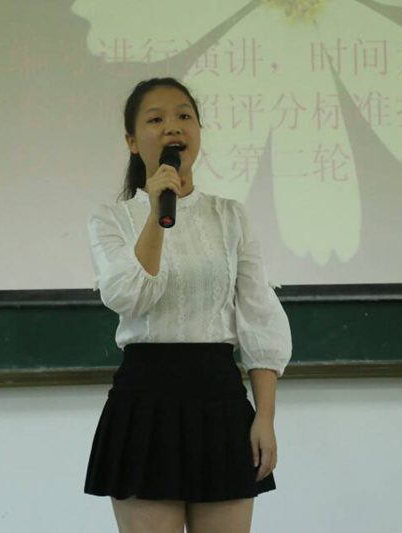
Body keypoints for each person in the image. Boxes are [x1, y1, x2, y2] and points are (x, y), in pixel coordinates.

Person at [84, 77, 292, 533]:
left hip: (219, 398)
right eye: (155, 119)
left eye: (184, 116)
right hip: (145, 400)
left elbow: (259, 316)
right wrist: (156, 212)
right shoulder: (111, 219)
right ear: (132, 141)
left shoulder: (230, 216)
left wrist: (265, 417)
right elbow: (128, 295)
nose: (173, 127)